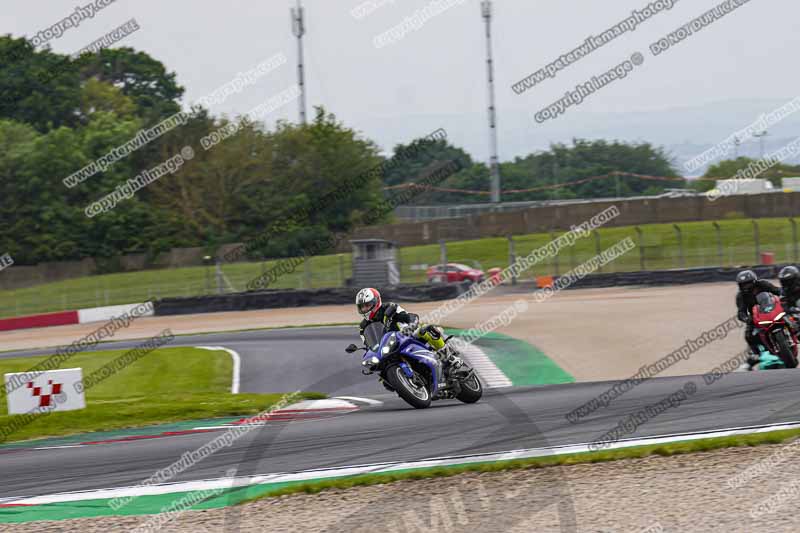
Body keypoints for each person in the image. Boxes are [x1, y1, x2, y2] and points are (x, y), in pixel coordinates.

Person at [355, 287, 465, 375]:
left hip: (404, 336)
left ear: (376, 302)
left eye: (367, 305)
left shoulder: (390, 307)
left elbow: (409, 317)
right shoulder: (363, 326)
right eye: (362, 307)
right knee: (381, 373)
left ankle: (449, 357)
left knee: (425, 330)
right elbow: (369, 345)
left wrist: (411, 324)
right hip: (387, 348)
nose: (365, 309)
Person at [736, 270, 782, 369]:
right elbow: (741, 312)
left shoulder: (763, 284)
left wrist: (783, 296)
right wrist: (746, 319)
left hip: (771, 309)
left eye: (748, 284)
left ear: (754, 281)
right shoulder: (740, 296)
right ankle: (756, 353)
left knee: (787, 315)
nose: (746, 287)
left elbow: (777, 290)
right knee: (749, 335)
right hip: (755, 317)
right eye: (743, 285)